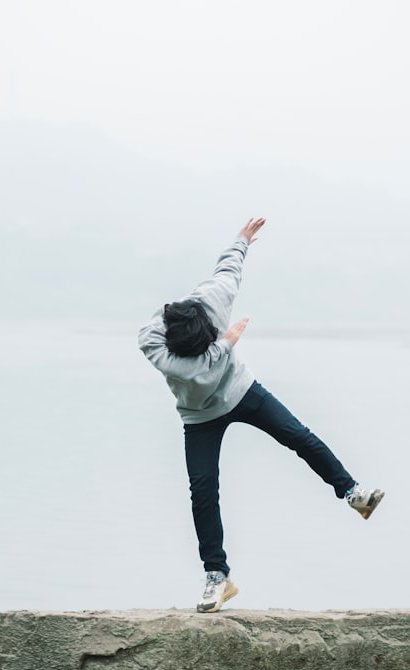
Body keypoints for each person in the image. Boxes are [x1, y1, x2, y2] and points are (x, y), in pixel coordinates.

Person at [137, 217, 385, 613]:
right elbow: (192, 373)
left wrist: (242, 240)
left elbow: (228, 268)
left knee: (298, 436)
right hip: (199, 414)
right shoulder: (153, 343)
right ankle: (218, 577)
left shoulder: (212, 299)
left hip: (242, 390)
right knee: (203, 491)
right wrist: (228, 342)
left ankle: (353, 492)